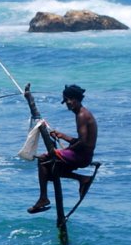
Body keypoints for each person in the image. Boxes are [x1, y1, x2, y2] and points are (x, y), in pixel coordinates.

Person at [28, 84, 98, 214]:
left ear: (74, 100)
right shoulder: (82, 113)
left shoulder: (82, 115)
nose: (66, 104)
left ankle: (43, 198)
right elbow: (83, 141)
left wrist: (63, 151)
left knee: (43, 160)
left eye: (67, 101)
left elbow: (82, 142)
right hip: (85, 155)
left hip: (82, 157)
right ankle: (82, 179)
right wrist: (63, 136)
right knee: (49, 171)